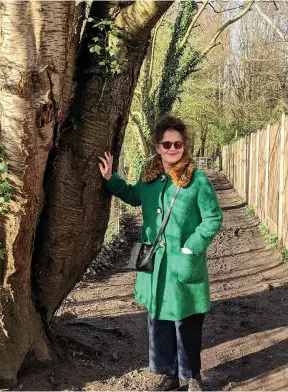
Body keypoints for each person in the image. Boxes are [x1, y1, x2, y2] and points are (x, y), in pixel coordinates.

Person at [98, 114, 223, 391]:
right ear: (158, 147)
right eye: (167, 144)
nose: (172, 149)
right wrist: (111, 179)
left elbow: (213, 218)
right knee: (160, 322)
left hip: (183, 264)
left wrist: (192, 245)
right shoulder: (149, 177)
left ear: (184, 146)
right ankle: (170, 374)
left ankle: (192, 375)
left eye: (178, 144)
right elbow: (133, 196)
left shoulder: (197, 180)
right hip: (155, 267)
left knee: (187, 323)